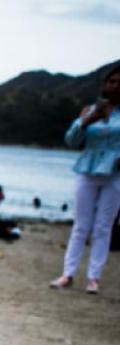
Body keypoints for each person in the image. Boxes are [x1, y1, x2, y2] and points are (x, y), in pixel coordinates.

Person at [50, 64, 120, 295]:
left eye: (119, 82)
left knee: (103, 226)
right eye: (111, 81)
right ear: (104, 85)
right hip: (87, 169)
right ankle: (68, 273)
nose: (115, 86)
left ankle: (93, 277)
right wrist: (87, 121)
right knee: (81, 225)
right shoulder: (89, 111)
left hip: (114, 173)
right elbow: (71, 140)